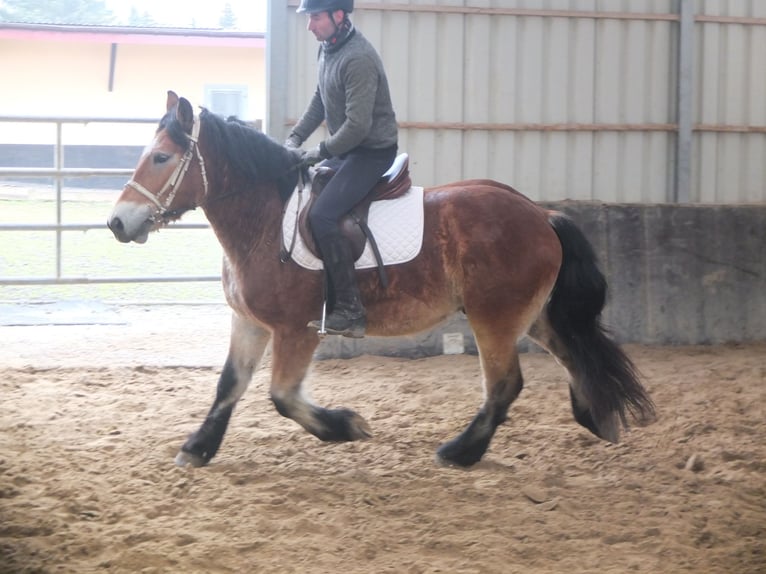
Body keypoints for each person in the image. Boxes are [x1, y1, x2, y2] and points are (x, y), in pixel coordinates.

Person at [285, 0, 398, 338]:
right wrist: (294, 138)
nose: (309, 27)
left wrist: (318, 151)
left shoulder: (358, 58)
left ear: (338, 16)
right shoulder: (328, 49)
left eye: (315, 18)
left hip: (370, 153)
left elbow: (357, 126)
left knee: (321, 215)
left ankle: (350, 310)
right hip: (347, 150)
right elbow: (320, 99)